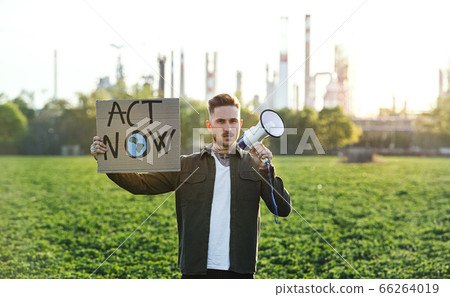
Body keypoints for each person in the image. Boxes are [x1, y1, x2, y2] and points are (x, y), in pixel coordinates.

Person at [90, 93, 292, 279]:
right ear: (209, 125)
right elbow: (141, 185)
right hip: (195, 271)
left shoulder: (256, 167)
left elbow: (282, 209)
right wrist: (107, 160)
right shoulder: (186, 165)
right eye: (220, 121)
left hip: (240, 271)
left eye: (232, 121)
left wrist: (267, 171)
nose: (227, 128)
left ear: (240, 124)